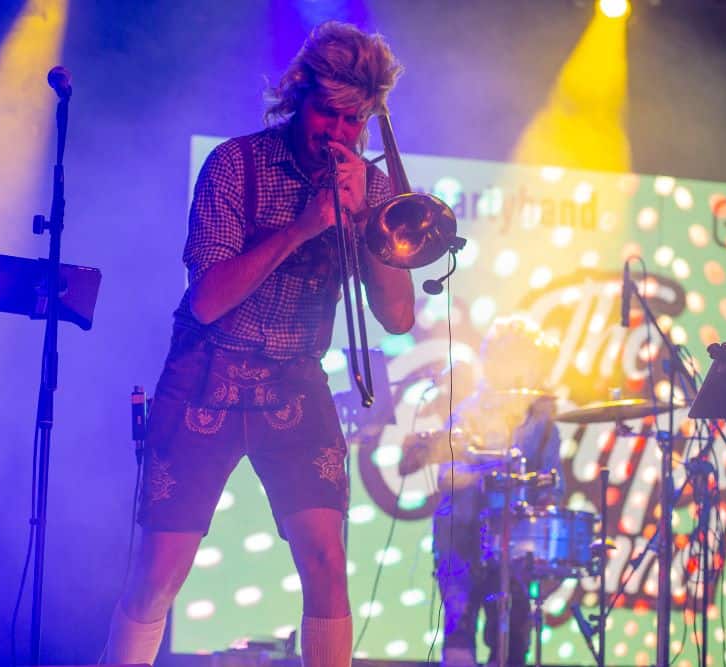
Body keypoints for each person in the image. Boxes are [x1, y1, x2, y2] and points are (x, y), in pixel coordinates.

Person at [105, 21, 413, 667]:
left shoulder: (374, 188)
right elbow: (208, 300)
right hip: (206, 372)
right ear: (298, 95)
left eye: (353, 120)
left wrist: (364, 220)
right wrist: (303, 228)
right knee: (160, 571)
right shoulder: (234, 163)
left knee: (327, 560)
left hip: (294, 378)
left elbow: (398, 316)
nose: (338, 133)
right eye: (327, 114)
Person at [404, 316, 562, 667]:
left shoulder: (544, 423)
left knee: (515, 641)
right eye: (497, 353)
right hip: (461, 535)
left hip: (515, 546)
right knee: (459, 632)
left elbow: (553, 487)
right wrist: (485, 473)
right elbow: (447, 476)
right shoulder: (466, 413)